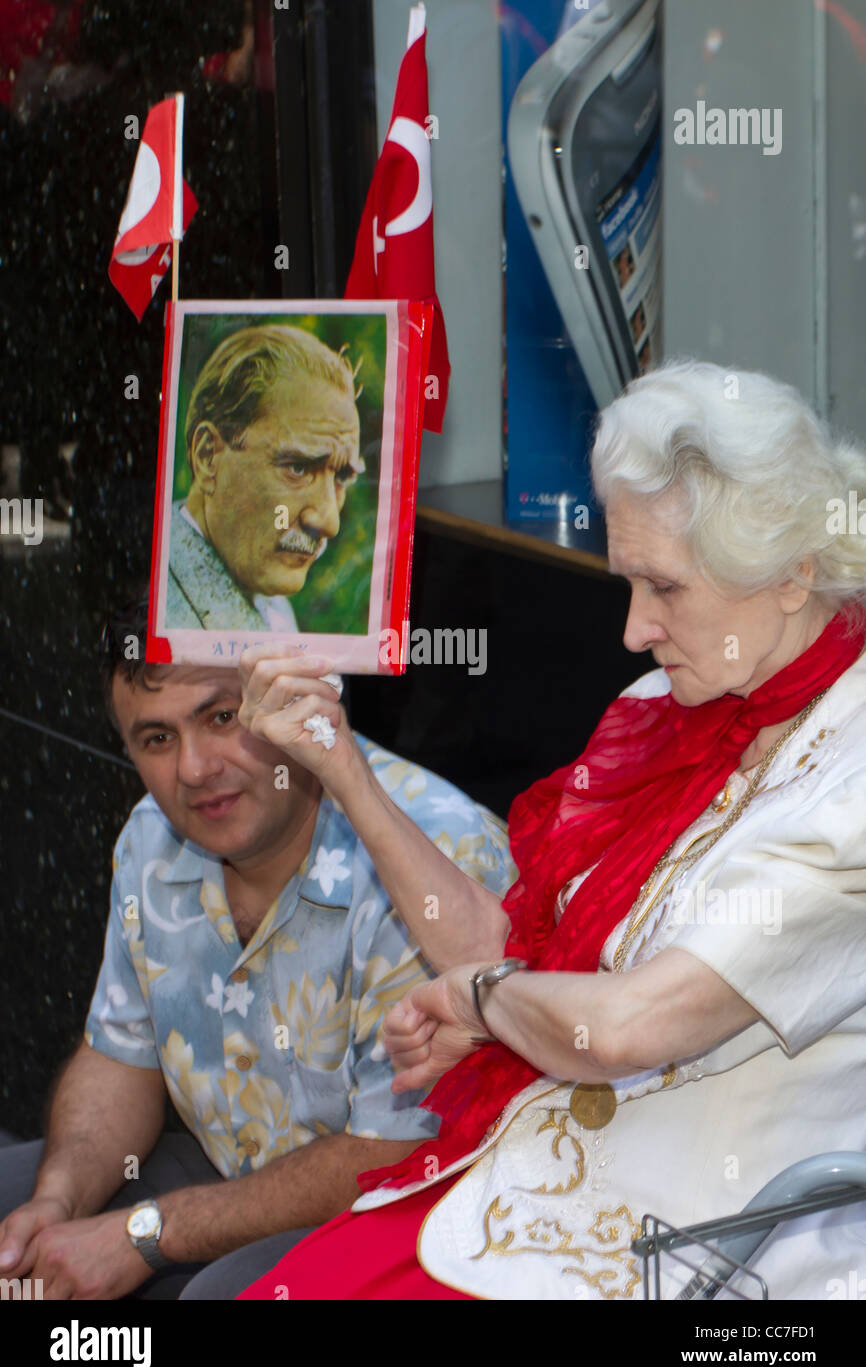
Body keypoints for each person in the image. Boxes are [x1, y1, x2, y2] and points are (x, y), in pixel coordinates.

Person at [236, 359, 866, 1301]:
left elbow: (624, 1026)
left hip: (699, 1257)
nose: (633, 629)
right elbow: (515, 954)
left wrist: (483, 1004)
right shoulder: (673, 706)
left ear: (792, 574)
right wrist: (342, 768)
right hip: (530, 1191)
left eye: (665, 588)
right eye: (627, 583)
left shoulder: (849, 776)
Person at [0, 596, 515, 1299]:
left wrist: (147, 1234)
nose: (194, 768)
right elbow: (121, 1054)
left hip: (407, 1215)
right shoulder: (153, 837)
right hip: (225, 1168)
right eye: (155, 738)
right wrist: (58, 1202)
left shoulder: (434, 857)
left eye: (222, 717)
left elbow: (394, 1153)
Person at [167, 324, 364, 632]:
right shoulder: (159, 611)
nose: (329, 522)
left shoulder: (273, 606)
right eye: (298, 468)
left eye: (341, 476)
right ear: (208, 456)